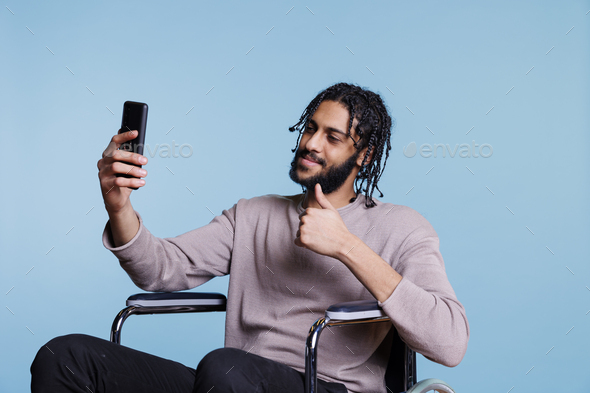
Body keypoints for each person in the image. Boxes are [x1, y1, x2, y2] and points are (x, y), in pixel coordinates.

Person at [31, 82, 469, 393]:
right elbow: (161, 269)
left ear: (364, 155)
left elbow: (449, 342)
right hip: (229, 381)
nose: (311, 143)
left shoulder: (402, 226)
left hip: (328, 388)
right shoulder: (255, 214)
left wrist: (347, 245)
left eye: (332, 137)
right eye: (310, 128)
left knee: (225, 368)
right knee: (64, 356)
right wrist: (119, 207)